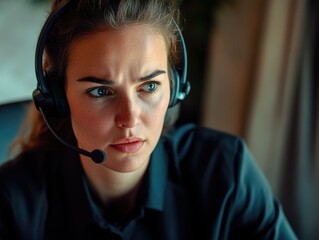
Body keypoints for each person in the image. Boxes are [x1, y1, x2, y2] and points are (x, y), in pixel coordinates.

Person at [0, 0, 297, 239]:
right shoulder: (13, 202)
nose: (129, 119)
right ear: (58, 98)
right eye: (101, 91)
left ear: (175, 86)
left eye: (150, 86)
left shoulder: (226, 173)